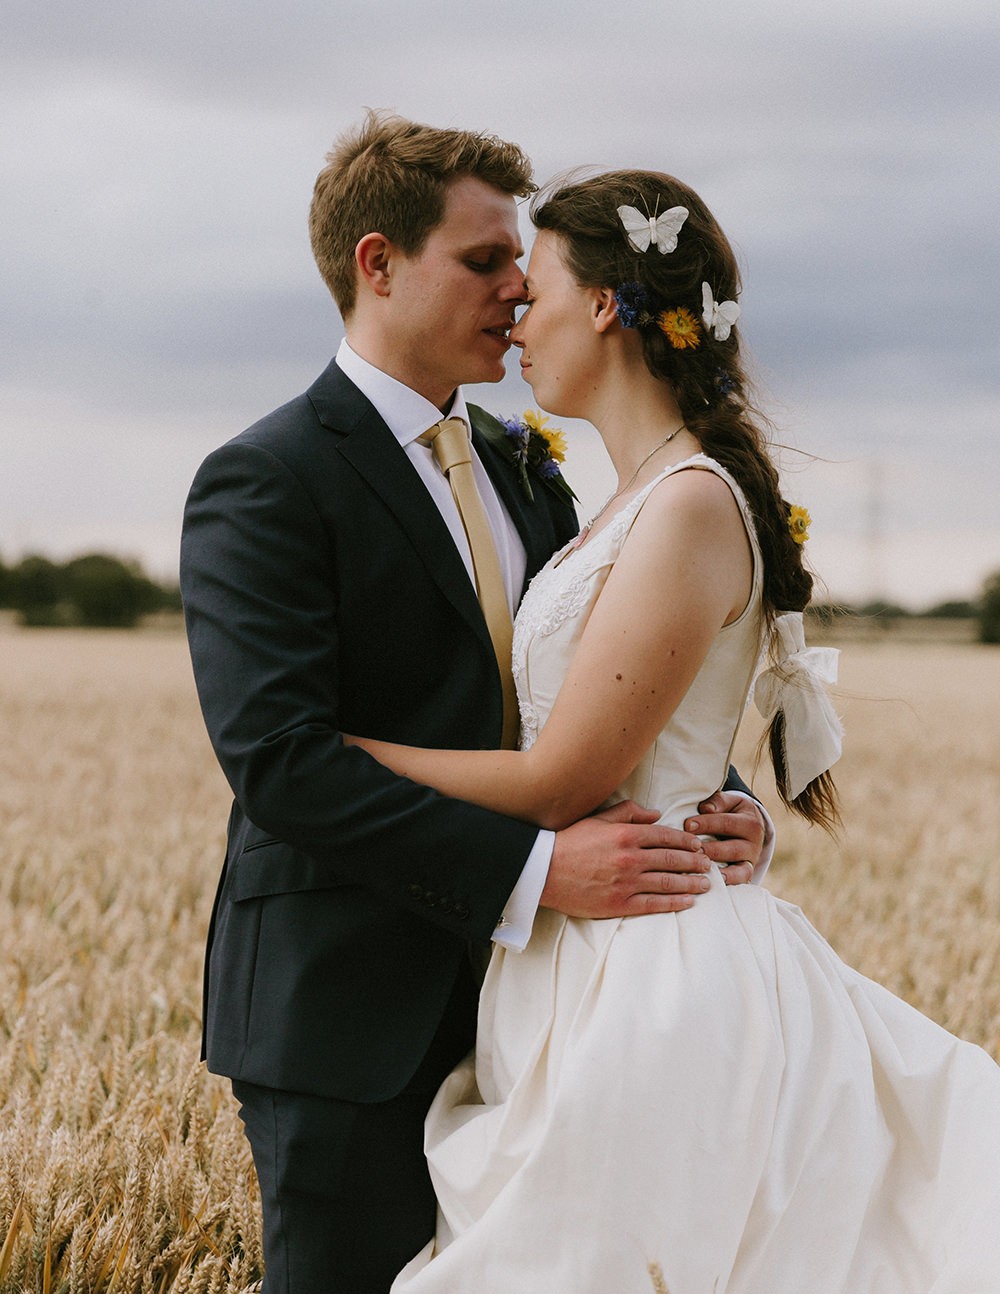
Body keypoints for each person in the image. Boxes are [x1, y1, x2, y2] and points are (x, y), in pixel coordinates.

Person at [342, 169, 1000, 1292]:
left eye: (534, 283)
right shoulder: (620, 497)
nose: (515, 310)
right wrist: (733, 803)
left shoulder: (687, 500)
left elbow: (563, 780)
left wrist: (346, 755)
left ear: (604, 305)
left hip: (651, 971)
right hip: (583, 947)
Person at [179, 113, 768, 1294]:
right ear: (378, 263)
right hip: (351, 1012)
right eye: (484, 259)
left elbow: (591, 685)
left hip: (544, 1006)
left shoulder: (520, 463)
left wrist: (717, 795)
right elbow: (285, 766)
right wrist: (536, 871)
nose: (516, 288)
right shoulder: (267, 478)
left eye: (521, 265)